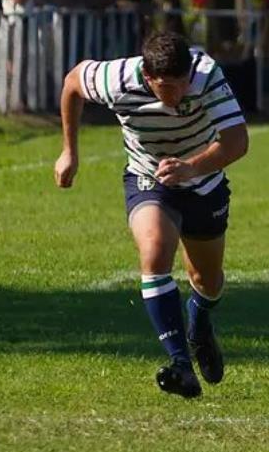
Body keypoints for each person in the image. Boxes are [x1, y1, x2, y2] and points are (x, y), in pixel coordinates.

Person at [54, 31, 249, 399]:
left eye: (182, 84)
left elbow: (237, 140)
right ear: (147, 77)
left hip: (203, 182)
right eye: (167, 88)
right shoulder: (117, 79)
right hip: (149, 178)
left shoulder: (205, 73)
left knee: (207, 280)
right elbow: (72, 83)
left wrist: (191, 168)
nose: (178, 95)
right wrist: (69, 152)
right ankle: (180, 365)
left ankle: (199, 322)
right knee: (155, 250)